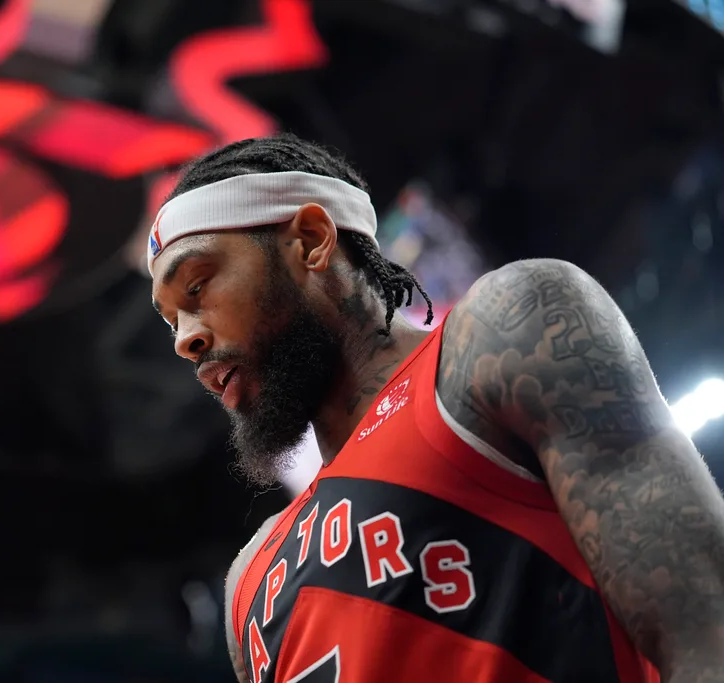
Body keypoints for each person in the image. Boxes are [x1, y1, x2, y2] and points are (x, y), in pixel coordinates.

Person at [148, 133, 724, 683]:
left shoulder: (504, 333)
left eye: (197, 287)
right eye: (172, 320)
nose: (184, 340)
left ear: (311, 241)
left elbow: (706, 631)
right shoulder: (250, 583)